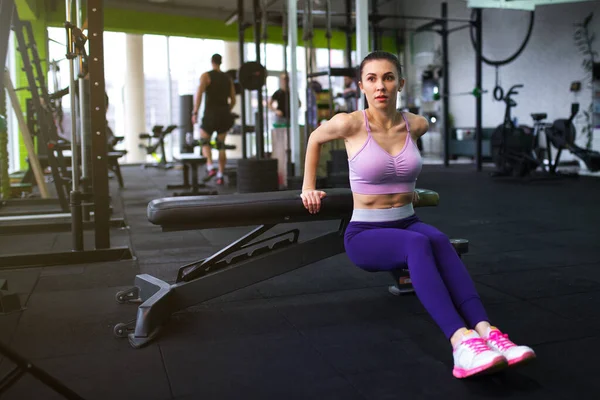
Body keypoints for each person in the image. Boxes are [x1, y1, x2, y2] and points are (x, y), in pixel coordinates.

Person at [300, 51, 536, 379]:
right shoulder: (350, 123)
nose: (380, 85)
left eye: (388, 77)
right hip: (365, 233)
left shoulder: (416, 124)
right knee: (417, 245)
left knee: (438, 240)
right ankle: (460, 342)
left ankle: (487, 332)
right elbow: (314, 139)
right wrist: (307, 186)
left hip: (408, 219)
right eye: (372, 79)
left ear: (400, 83)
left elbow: (399, 172)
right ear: (361, 86)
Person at [191, 54, 236, 185]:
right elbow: (233, 100)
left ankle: (210, 166)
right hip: (224, 114)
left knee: (204, 140)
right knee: (221, 145)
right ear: (221, 62)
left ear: (212, 62)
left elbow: (199, 95)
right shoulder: (228, 78)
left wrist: (195, 112)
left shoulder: (206, 76)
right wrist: (227, 109)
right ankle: (220, 175)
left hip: (210, 114)